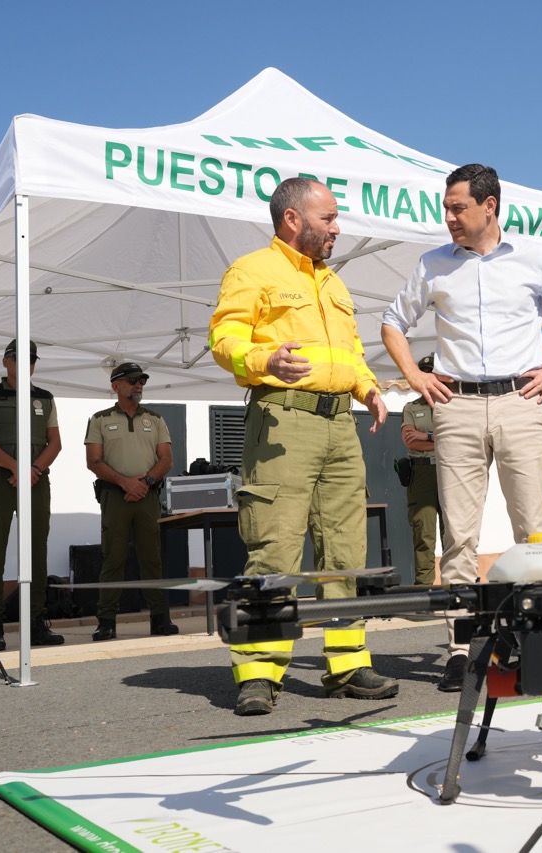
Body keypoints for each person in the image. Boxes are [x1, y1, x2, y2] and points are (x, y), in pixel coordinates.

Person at [382, 163, 542, 691]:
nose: (449, 217)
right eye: (447, 208)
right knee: (458, 534)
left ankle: (536, 638)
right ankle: (461, 647)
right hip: (455, 407)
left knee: (534, 529)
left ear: (490, 205)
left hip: (521, 403)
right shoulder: (433, 264)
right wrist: (414, 377)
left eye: (459, 208)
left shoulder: (534, 258)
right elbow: (392, 322)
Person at [210, 177, 397, 716]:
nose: (337, 228)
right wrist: (263, 361)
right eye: (329, 218)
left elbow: (352, 350)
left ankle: (346, 667)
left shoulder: (334, 283)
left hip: (341, 426)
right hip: (283, 421)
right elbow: (223, 338)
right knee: (275, 548)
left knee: (345, 550)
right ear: (293, 219)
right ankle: (259, 674)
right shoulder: (252, 270)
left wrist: (368, 388)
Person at [0, 339, 64, 651]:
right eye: (19, 358)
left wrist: (33, 470)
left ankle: (36, 621)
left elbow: (55, 443)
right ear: (5, 361)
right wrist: (16, 468)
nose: (26, 364)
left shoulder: (44, 398)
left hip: (36, 481)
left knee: (37, 550)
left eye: (31, 360)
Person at [85, 362, 180, 642]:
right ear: (116, 385)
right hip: (115, 496)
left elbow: (166, 460)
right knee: (113, 558)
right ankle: (106, 622)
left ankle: (160, 619)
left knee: (152, 558)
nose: (138, 384)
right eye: (132, 380)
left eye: (142, 380)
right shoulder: (99, 418)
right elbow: (94, 461)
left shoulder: (155, 418)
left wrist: (145, 484)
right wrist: (126, 483)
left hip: (147, 496)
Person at [401, 354, 443, 586]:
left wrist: (425, 436)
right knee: (424, 535)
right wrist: (440, 440)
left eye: (432, 371)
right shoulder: (411, 407)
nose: (428, 376)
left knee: (455, 533)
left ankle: (458, 586)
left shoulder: (453, 403)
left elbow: (457, 440)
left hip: (449, 471)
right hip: (422, 473)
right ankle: (425, 589)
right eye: (424, 371)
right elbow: (410, 441)